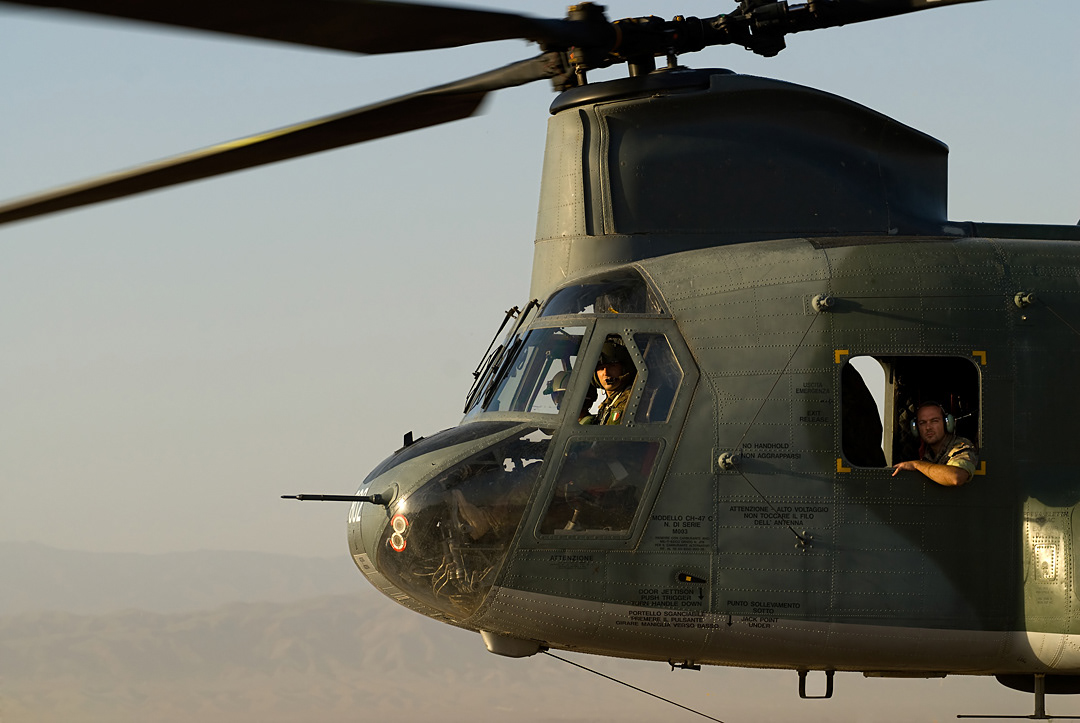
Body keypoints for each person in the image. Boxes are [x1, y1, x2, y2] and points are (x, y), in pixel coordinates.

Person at [892, 401, 978, 486]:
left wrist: (916, 465)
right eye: (922, 423)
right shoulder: (926, 454)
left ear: (947, 423)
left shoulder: (961, 446)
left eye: (934, 421)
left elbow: (956, 477)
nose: (928, 427)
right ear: (916, 428)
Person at [584, 337, 636, 425]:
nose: (605, 373)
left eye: (612, 366)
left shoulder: (630, 399)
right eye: (600, 368)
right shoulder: (608, 404)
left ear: (623, 369)